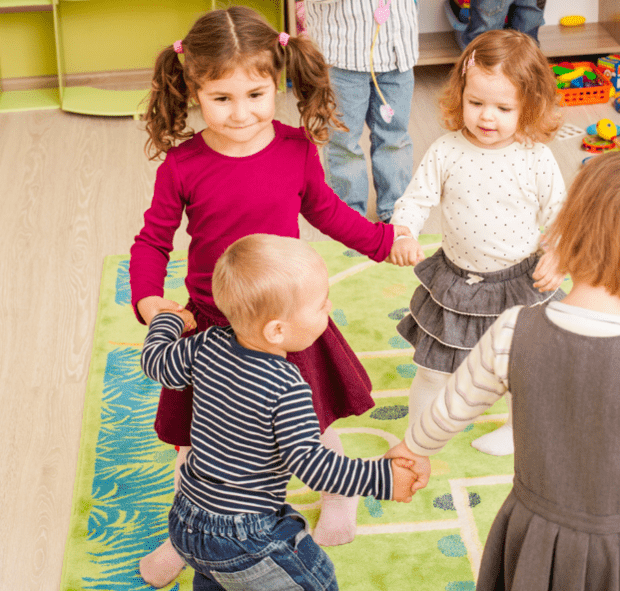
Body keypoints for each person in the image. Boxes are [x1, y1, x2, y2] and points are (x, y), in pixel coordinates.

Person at [387, 151, 620, 591]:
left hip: (531, 539)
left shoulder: (513, 329)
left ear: (564, 233)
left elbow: (449, 409)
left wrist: (413, 449)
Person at [129, 6, 411, 587]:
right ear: (194, 91)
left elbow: (328, 213)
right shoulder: (183, 165)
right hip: (210, 324)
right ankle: (189, 536)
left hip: (287, 318)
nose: (241, 113)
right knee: (194, 436)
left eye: (256, 94)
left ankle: (338, 497)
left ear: (277, 83)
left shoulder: (294, 148)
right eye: (221, 98)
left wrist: (384, 242)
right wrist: (149, 301)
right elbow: (153, 240)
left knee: (314, 419)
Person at [142, 234, 422, 591]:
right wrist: (382, 479)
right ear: (277, 330)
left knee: (217, 579)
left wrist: (169, 322)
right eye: (321, 306)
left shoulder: (204, 345)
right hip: (244, 537)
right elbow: (314, 466)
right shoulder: (287, 386)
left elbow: (154, 362)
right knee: (316, 583)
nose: (329, 308)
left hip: (185, 519)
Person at [388, 30, 566, 457]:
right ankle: (419, 436)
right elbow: (416, 199)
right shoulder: (446, 150)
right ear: (460, 94)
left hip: (520, 284)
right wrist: (404, 231)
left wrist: (559, 254)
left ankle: (516, 430)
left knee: (521, 369)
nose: (488, 117)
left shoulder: (535, 156)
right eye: (476, 103)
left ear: (529, 106)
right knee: (432, 368)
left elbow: (561, 217)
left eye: (504, 108)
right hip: (456, 284)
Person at [291, 0, 430, 224]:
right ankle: (348, 222)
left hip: (396, 49)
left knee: (394, 137)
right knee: (343, 141)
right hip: (344, 55)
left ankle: (395, 217)